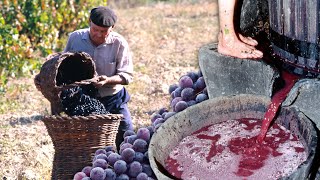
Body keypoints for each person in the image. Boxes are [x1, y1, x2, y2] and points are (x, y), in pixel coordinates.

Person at [63, 6, 134, 150]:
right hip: (84, 100)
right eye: (95, 30)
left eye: (104, 31)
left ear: (112, 28)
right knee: (86, 143)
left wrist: (107, 80)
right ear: (89, 22)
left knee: (127, 136)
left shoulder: (119, 43)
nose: (99, 35)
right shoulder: (75, 38)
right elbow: (62, 65)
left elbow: (127, 76)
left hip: (112, 98)